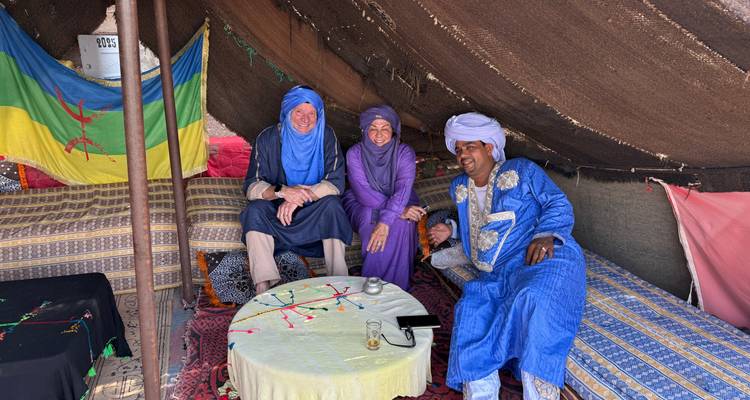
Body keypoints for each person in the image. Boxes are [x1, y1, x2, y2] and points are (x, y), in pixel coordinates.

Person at [428, 112, 586, 400]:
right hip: (497, 271)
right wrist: (451, 229)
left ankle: (537, 392)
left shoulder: (522, 170)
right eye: (459, 148)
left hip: (541, 255)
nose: (463, 154)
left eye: (470, 146)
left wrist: (545, 234)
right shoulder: (459, 188)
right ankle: (481, 394)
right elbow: (478, 230)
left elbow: (557, 202)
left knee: (534, 297)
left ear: (489, 147)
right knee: (473, 308)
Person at [240, 85, 352, 294]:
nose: (306, 119)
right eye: (299, 111)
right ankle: (263, 286)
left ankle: (339, 280)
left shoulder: (326, 136)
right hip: (278, 211)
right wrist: (283, 191)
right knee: (254, 211)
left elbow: (336, 182)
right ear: (288, 111)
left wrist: (297, 197)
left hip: (313, 209)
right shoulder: (268, 138)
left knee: (333, 207)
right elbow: (252, 185)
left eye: (312, 113)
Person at [342, 105, 424, 290]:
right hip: (361, 201)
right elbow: (363, 192)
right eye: (373, 128)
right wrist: (396, 212)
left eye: (385, 128)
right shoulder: (354, 153)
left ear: (394, 130)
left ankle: (396, 288)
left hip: (400, 199)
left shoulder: (404, 152)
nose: (379, 135)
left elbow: (403, 187)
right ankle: (373, 283)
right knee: (368, 218)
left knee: (404, 222)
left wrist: (389, 217)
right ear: (365, 130)